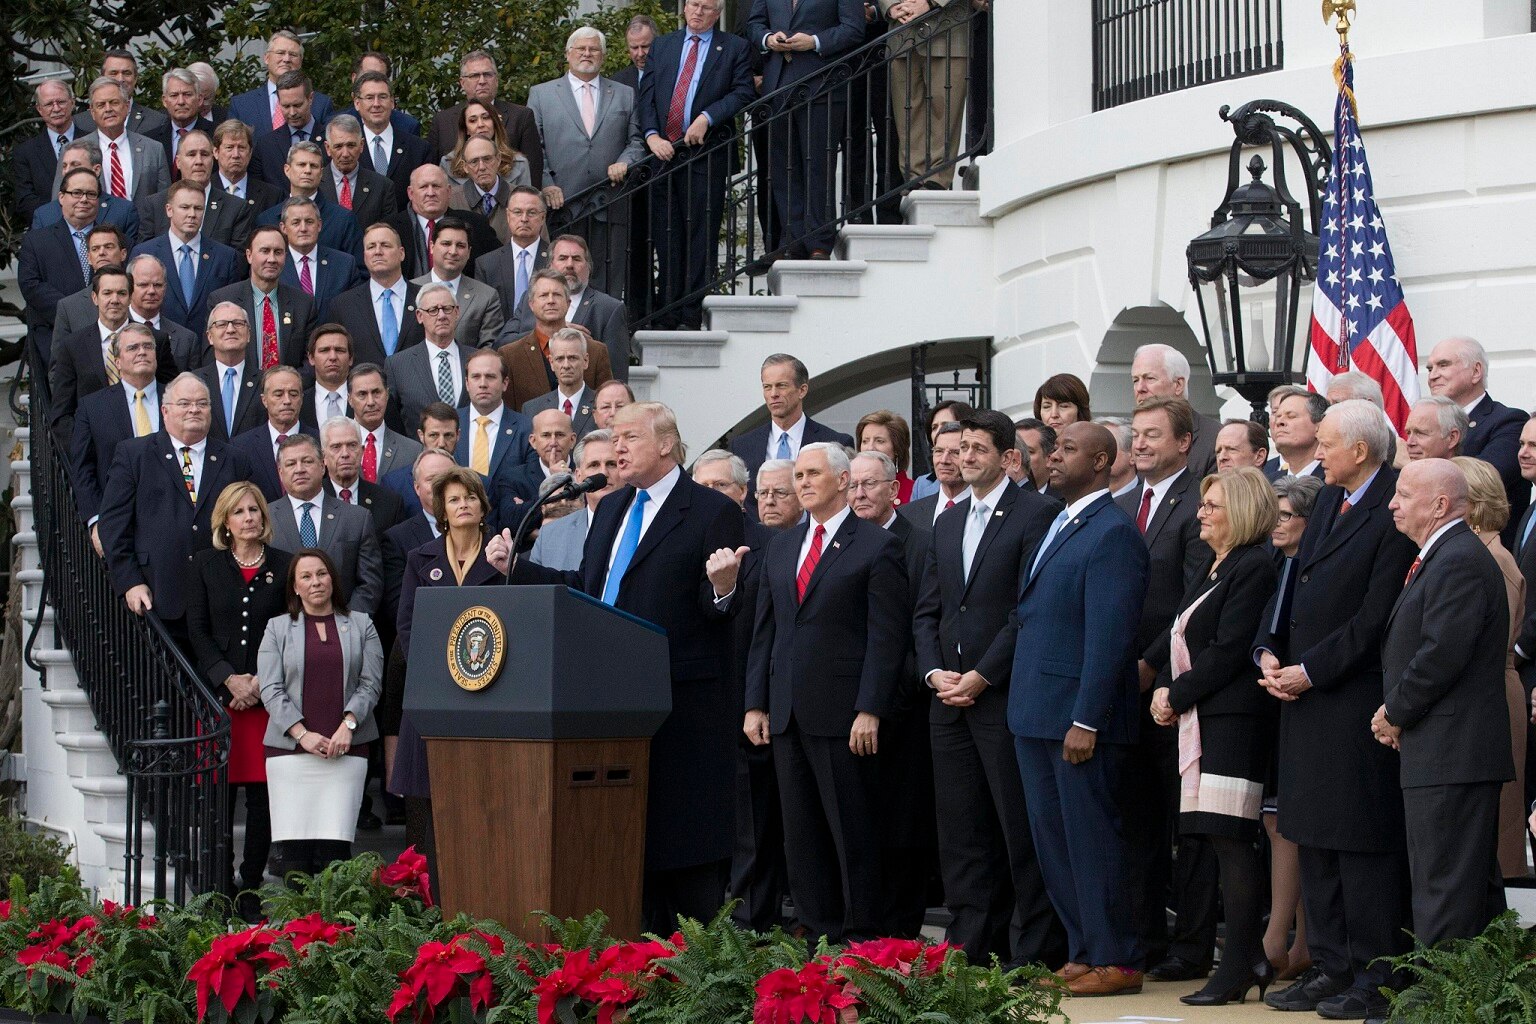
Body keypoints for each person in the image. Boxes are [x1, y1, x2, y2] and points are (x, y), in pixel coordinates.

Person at [488, 401, 746, 932]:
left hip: (679, 704)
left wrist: (723, 589)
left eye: (630, 437)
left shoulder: (708, 510)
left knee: (682, 846)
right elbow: (589, 590)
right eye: (614, 438)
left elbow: (720, 607)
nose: (618, 447)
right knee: (625, 840)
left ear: (667, 444)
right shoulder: (609, 508)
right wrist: (517, 569)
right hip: (607, 698)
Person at [1256, 400, 1416, 1020]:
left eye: (1326, 443)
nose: (1317, 454)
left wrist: (1311, 671)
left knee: (1358, 844)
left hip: (1351, 702)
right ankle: (1331, 965)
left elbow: (1375, 616)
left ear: (1361, 449)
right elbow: (1293, 585)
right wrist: (1269, 649)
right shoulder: (1325, 499)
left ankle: (1374, 974)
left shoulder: (1390, 508)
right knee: (1313, 839)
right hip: (1301, 700)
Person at [913, 409, 1064, 967]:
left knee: (1016, 827)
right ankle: (970, 946)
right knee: (961, 833)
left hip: (1002, 696)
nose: (964, 456)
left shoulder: (1036, 513)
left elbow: (1027, 610)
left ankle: (1032, 949)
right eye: (959, 447)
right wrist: (934, 673)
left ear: (1008, 458)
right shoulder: (946, 521)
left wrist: (982, 674)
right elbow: (928, 610)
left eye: (977, 447)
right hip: (947, 700)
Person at [742, 442, 906, 941]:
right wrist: (755, 703)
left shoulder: (876, 545)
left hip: (845, 715)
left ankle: (861, 934)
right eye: (799, 475)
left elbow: (886, 637)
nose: (803, 482)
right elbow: (765, 632)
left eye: (813, 473)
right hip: (788, 711)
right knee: (802, 833)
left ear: (841, 479)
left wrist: (870, 708)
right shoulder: (783, 546)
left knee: (852, 830)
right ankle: (816, 928)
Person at [1008, 421, 1148, 996]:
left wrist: (1086, 718)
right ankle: (1083, 948)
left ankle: (1118, 957)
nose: (1054, 456)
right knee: (1054, 841)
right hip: (1036, 710)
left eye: (1069, 449)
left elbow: (1110, 637)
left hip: (1078, 718)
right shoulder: (1060, 521)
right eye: (1054, 448)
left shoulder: (1112, 532)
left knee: (1092, 839)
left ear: (1101, 463)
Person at [1145, 467, 1280, 1005]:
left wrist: (1175, 695)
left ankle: (1240, 964)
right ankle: (1247, 958)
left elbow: (1228, 650)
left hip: (1234, 724)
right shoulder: (1213, 564)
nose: (1200, 513)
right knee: (1215, 839)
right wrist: (1164, 688)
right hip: (1203, 721)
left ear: (1242, 511)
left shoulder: (1254, 567)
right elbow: (1182, 634)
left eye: (1212, 506)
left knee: (1232, 841)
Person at [1376, 459, 1512, 957]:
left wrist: (1394, 711)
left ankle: (1439, 1003)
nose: (1393, 503)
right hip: (1443, 749)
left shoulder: (1457, 559)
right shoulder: (1444, 556)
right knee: (1465, 887)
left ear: (1438, 505)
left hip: (1453, 752)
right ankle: (1472, 998)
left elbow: (1441, 655)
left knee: (1445, 889)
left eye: (1404, 494)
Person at [1119, 396, 1217, 982]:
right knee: (1135, 821)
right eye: (1135, 434)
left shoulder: (1196, 506)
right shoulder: (1124, 502)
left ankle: (1191, 945)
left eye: (1153, 435)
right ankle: (1143, 936)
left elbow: (1191, 596)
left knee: (1185, 824)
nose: (1140, 444)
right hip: (1120, 688)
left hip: (1169, 687)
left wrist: (1151, 663)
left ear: (1184, 442)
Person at [392, 467, 504, 863]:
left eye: (470, 497)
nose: (463, 505)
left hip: (489, 693)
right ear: (441, 510)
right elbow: (407, 624)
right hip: (433, 692)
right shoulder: (419, 558)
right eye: (455, 499)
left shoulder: (502, 556)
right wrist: (439, 672)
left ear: (482, 504)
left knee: (481, 798)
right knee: (426, 800)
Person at [187, 482, 293, 899]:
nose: (249, 517)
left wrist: (260, 683)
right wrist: (227, 678)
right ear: (225, 522)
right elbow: (198, 630)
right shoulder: (204, 565)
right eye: (240, 512)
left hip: (268, 701)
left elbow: (290, 632)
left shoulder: (286, 566)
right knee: (218, 801)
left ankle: (250, 886)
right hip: (221, 703)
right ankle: (218, 886)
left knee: (262, 801)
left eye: (255, 510)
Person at [848, 449, 934, 935]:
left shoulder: (919, 544)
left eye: (870, 484)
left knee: (904, 825)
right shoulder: (844, 541)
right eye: (854, 485)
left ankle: (902, 931)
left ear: (895, 490)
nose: (860, 493)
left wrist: (883, 697)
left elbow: (918, 629)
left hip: (902, 710)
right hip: (850, 706)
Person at [258, 547, 382, 878]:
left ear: (333, 579)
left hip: (347, 750)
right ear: (295, 587)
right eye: (306, 576)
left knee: (336, 851)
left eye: (322, 574)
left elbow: (370, 684)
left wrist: (349, 725)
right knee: (294, 855)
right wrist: (303, 734)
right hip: (290, 754)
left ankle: (334, 929)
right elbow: (271, 689)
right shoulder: (277, 628)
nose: (316, 582)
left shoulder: (361, 625)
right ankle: (299, 929)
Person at [98, 373, 254, 633]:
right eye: (184, 403)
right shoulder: (134, 455)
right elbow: (113, 526)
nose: (194, 409)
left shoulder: (234, 459)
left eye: (202, 403)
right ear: (165, 410)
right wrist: (130, 582)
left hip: (221, 598)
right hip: (156, 596)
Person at [637, 0, 755, 329]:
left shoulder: (734, 47)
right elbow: (645, 95)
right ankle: (666, 313)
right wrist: (650, 136)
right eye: (693, 4)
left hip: (706, 155)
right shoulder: (663, 45)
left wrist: (708, 116)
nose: (697, 12)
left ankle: (690, 315)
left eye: (705, 7)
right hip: (664, 156)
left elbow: (744, 91)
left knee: (699, 238)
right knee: (666, 237)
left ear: (717, 13)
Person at [1452, 456, 1532, 881]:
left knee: (1491, 831)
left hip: (1491, 697)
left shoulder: (1491, 559)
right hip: (1487, 693)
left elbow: (1485, 641)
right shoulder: (1477, 553)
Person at [526, 27, 646, 298]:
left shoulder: (624, 94)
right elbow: (535, 148)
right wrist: (547, 184)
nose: (587, 54)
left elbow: (636, 140)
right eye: (581, 48)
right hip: (563, 203)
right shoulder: (542, 94)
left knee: (609, 282)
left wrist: (625, 161)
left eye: (594, 49)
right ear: (568, 54)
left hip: (611, 201)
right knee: (560, 281)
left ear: (603, 56)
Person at [1260, 473, 1323, 981]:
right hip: (1276, 697)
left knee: (1300, 822)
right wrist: (1266, 658)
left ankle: (1296, 939)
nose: (1276, 525)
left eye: (1286, 517)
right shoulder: (1277, 564)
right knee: (1277, 819)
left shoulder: (1315, 565)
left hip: (1311, 700)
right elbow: (1269, 629)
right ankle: (1283, 936)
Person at [747, 0, 865, 259]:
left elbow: (854, 28)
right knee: (783, 168)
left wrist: (814, 41)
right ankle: (792, 239)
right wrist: (768, 39)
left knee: (818, 165)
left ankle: (819, 242)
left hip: (822, 83)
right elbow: (754, 24)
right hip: (777, 85)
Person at [1425, 336, 1529, 549]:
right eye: (1429, 368)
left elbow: (1479, 481)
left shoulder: (1508, 421)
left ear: (1476, 372)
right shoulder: (1428, 425)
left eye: (1443, 365)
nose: (1433, 376)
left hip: (1486, 554)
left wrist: (1413, 464)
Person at [267, 433, 384, 614]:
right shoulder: (264, 519)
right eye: (291, 464)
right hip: (284, 632)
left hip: (344, 629)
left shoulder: (357, 518)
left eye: (307, 461)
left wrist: (346, 624)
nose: (300, 469)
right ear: (280, 473)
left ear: (322, 466)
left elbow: (370, 583)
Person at [69, 322, 162, 540]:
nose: (142, 352)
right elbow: (83, 469)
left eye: (148, 347)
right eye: (133, 348)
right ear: (117, 362)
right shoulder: (92, 408)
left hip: (172, 521)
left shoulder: (178, 399)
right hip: (117, 525)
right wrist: (97, 520)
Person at [729, 353, 856, 507]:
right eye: (767, 387)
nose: (773, 394)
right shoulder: (743, 445)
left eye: (781, 385)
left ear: (802, 390)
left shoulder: (834, 443)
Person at [502, 234, 632, 376]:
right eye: (562, 258)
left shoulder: (608, 309)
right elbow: (502, 343)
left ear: (588, 267)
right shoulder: (531, 299)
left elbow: (616, 372)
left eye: (576, 259)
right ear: (550, 265)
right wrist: (550, 332)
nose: (570, 265)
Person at [19, 169, 109, 370]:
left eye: (91, 194)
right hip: (57, 341)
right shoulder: (37, 241)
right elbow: (31, 285)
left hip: (109, 342)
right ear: (61, 197)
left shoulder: (114, 240)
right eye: (76, 193)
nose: (84, 199)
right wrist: (75, 314)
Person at [128, 178, 243, 330]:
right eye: (185, 207)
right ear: (169, 210)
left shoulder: (225, 257)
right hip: (161, 344)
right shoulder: (144, 253)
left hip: (208, 346)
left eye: (198, 208)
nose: (192, 214)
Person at [878, 0, 970, 188]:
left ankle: (938, 177)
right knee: (907, 110)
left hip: (948, 29)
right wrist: (890, 5)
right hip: (902, 32)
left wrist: (929, 3)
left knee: (945, 110)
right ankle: (914, 176)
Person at [208, 224, 319, 371]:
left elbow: (311, 360)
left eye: (278, 252)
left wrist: (289, 387)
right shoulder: (222, 300)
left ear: (285, 257)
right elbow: (211, 356)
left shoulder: (304, 304)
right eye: (265, 251)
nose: (272, 259)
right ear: (249, 255)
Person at [496, 276, 615, 410]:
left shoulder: (595, 351)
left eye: (557, 295)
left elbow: (607, 406)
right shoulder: (510, 355)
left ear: (568, 303)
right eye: (544, 295)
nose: (551, 301)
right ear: (531, 305)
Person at [427, 51, 543, 185]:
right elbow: (434, 174)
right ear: (462, 83)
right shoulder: (442, 121)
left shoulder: (521, 116)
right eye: (475, 75)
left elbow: (533, 170)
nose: (482, 81)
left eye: (487, 74)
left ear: (496, 80)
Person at [134, 131, 253, 250]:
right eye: (191, 154)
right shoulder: (155, 204)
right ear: (178, 162)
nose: (199, 161)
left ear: (213, 159)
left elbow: (237, 261)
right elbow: (144, 254)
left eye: (205, 154)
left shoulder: (235, 208)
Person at [328, 224, 424, 364]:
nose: (377, 251)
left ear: (401, 253)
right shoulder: (343, 305)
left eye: (385, 245)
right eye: (371, 247)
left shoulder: (425, 298)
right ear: (365, 256)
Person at [384, 164, 500, 279]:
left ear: (449, 191)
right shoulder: (390, 229)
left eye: (436, 186)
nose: (430, 193)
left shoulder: (476, 224)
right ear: (411, 193)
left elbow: (498, 265)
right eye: (424, 187)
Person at [386, 282, 473, 431]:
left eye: (447, 308)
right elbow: (393, 421)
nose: (441, 316)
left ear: (457, 312)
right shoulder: (398, 365)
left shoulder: (476, 359)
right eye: (433, 310)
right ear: (420, 316)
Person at [254, 142, 362, 260]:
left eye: (313, 166)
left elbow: (356, 269)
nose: (308, 170)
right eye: (301, 164)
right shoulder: (267, 219)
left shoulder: (343, 219)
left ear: (321, 173)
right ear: (287, 170)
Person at [529, 429, 618, 570]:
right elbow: (537, 590)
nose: (603, 473)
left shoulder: (644, 523)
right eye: (594, 465)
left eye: (612, 464)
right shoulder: (550, 535)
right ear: (579, 475)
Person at [411, 218, 505, 349]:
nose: (453, 251)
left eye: (460, 246)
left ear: (469, 252)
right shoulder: (409, 290)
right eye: (446, 244)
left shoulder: (486, 296)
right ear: (432, 247)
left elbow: (489, 348)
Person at [76, 76, 170, 203]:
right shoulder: (75, 151)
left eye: (114, 102)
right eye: (101, 105)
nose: (108, 109)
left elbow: (165, 201)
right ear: (92, 112)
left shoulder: (153, 149)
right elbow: (62, 202)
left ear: (127, 107)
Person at [1130, 343, 1218, 477]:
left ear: (1178, 385)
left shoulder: (1216, 439)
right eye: (1135, 380)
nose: (1140, 388)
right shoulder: (1129, 439)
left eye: (1150, 378)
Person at [230, 365, 314, 501]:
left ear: (301, 398)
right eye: (278, 394)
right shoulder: (242, 447)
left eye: (293, 394)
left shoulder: (318, 440)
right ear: (264, 400)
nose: (287, 401)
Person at [227, 31, 335, 134]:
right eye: (280, 53)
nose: (286, 59)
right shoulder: (242, 105)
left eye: (293, 54)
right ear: (266, 58)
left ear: (300, 61)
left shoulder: (321, 104)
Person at [348, 73, 433, 201]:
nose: (376, 104)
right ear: (357, 103)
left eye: (382, 97)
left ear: (392, 102)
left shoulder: (418, 148)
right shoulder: (346, 148)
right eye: (370, 97)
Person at [192, 302, 266, 442]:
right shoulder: (194, 381)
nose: (231, 329)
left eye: (238, 323)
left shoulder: (265, 381)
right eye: (221, 324)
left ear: (249, 334)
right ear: (209, 337)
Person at [278, 198, 361, 321]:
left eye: (309, 221)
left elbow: (355, 311)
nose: (303, 228)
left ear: (319, 225)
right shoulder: (274, 265)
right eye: (296, 223)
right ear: (283, 228)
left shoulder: (344, 264)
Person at [32, 142, 140, 235]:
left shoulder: (124, 211)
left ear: (96, 170)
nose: (67, 171)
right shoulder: (44, 215)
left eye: (75, 164)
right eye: (64, 166)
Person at [473, 186, 552, 314]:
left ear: (542, 218)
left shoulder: (556, 258)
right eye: (517, 212)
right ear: (508, 216)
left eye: (531, 212)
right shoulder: (487, 264)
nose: (524, 219)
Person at [14, 80, 80, 224]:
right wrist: (64, 218)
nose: (56, 109)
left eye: (61, 102)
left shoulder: (94, 141)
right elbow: (25, 201)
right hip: (49, 230)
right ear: (39, 109)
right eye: (49, 104)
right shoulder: (25, 152)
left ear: (72, 103)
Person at [249, 72, 331, 188]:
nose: (292, 113)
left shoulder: (331, 141)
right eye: (286, 106)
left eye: (297, 105)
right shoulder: (266, 145)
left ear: (311, 98)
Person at [320, 114, 399, 229]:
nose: (345, 154)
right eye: (338, 146)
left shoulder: (383, 187)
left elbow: (388, 234)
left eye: (351, 145)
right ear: (328, 148)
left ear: (361, 145)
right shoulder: (313, 184)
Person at [522, 329, 600, 437]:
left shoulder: (601, 405)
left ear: (585, 361)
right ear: (551, 363)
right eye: (560, 359)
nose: (566, 365)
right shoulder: (532, 409)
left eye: (572, 358)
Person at [448, 136, 526, 244]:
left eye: (487, 159)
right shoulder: (451, 200)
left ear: (498, 159)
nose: (482, 167)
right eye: (474, 161)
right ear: (465, 167)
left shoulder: (523, 199)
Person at [440, 101, 529, 193]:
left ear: (495, 123)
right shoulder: (448, 163)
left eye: (486, 118)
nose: (480, 124)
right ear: (466, 129)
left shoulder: (519, 163)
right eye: (473, 120)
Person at [72, 50, 168, 136]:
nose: (120, 79)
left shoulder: (156, 121)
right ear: (102, 77)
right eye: (113, 73)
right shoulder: (80, 123)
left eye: (126, 73)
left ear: (135, 79)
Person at [144, 68, 214, 170]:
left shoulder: (216, 135)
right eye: (174, 95)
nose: (181, 101)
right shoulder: (150, 141)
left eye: (187, 94)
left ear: (199, 99)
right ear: (164, 101)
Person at [214, 119, 284, 216]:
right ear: (216, 152)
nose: (236, 155)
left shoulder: (272, 196)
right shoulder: (204, 190)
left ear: (250, 152)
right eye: (229, 147)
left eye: (241, 147)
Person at [908, 399, 974, 502]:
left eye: (945, 425)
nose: (939, 432)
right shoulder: (922, 484)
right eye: (934, 427)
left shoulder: (981, 486)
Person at [1264, 388, 1328, 480]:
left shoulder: (1337, 481)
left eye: (1291, 416)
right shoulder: (1267, 484)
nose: (1279, 422)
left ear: (1319, 426)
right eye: (1277, 416)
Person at [855, 410, 914, 506]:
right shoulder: (850, 492)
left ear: (896, 448)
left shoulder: (915, 491)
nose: (870, 447)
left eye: (879, 441)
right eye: (865, 441)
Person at [1403, 395, 1468, 461]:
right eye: (1408, 433)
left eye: (1420, 433)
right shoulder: (1398, 469)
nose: (1409, 442)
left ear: (1452, 438)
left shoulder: (1470, 471)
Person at [1012, 419, 1055, 495]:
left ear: (1049, 458)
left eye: (1028, 451)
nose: (1016, 458)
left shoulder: (1067, 499)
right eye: (1012, 451)